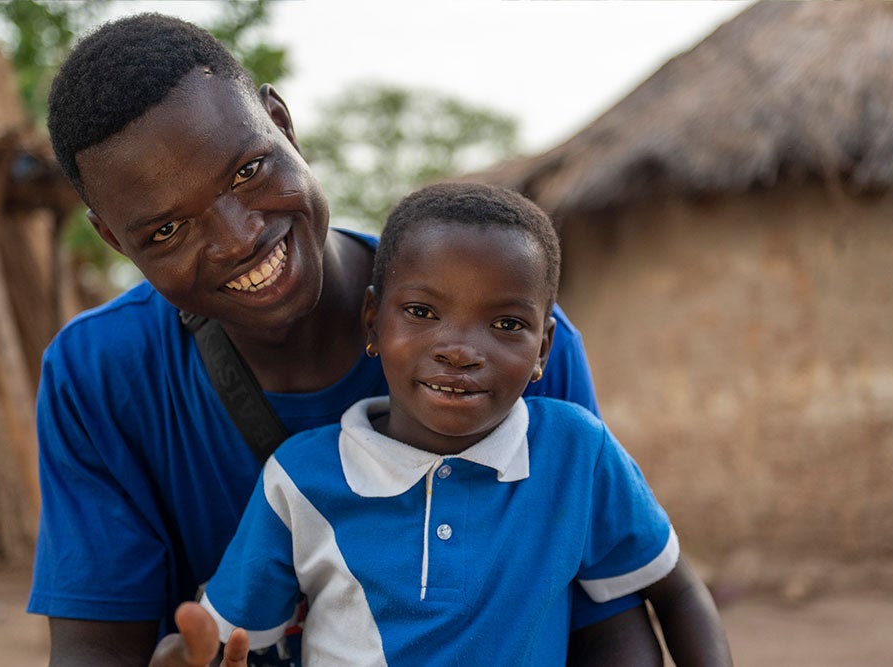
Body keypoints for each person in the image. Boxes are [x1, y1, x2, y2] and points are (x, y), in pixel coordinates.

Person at [32, 12, 666, 667]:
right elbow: (96, 644)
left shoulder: (509, 353)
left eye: (248, 170)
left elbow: (606, 622)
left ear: (281, 123)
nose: (237, 237)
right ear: (114, 240)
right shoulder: (100, 375)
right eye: (164, 231)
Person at [195, 182, 732, 666]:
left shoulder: (575, 453)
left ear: (543, 348)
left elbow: (677, 592)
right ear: (373, 322)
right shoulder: (300, 477)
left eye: (506, 324)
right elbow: (230, 637)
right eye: (423, 312)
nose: (459, 351)